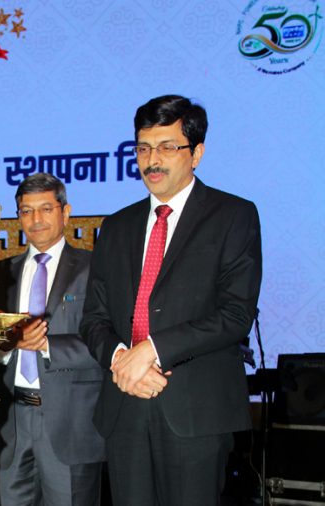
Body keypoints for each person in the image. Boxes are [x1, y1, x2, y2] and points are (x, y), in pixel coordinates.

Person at [79, 95, 262, 506]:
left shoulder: (233, 216)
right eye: (143, 148)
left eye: (167, 147)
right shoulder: (117, 225)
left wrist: (152, 351)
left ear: (196, 153)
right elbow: (94, 319)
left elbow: (235, 314)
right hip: (125, 404)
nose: (152, 161)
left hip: (195, 411)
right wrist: (123, 360)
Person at [0, 173, 106, 506]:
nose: (35, 219)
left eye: (45, 209)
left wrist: (47, 344)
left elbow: (109, 341)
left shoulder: (95, 267)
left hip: (71, 424)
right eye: (26, 211)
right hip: (12, 420)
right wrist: (9, 345)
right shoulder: (1, 274)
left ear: (65, 213)